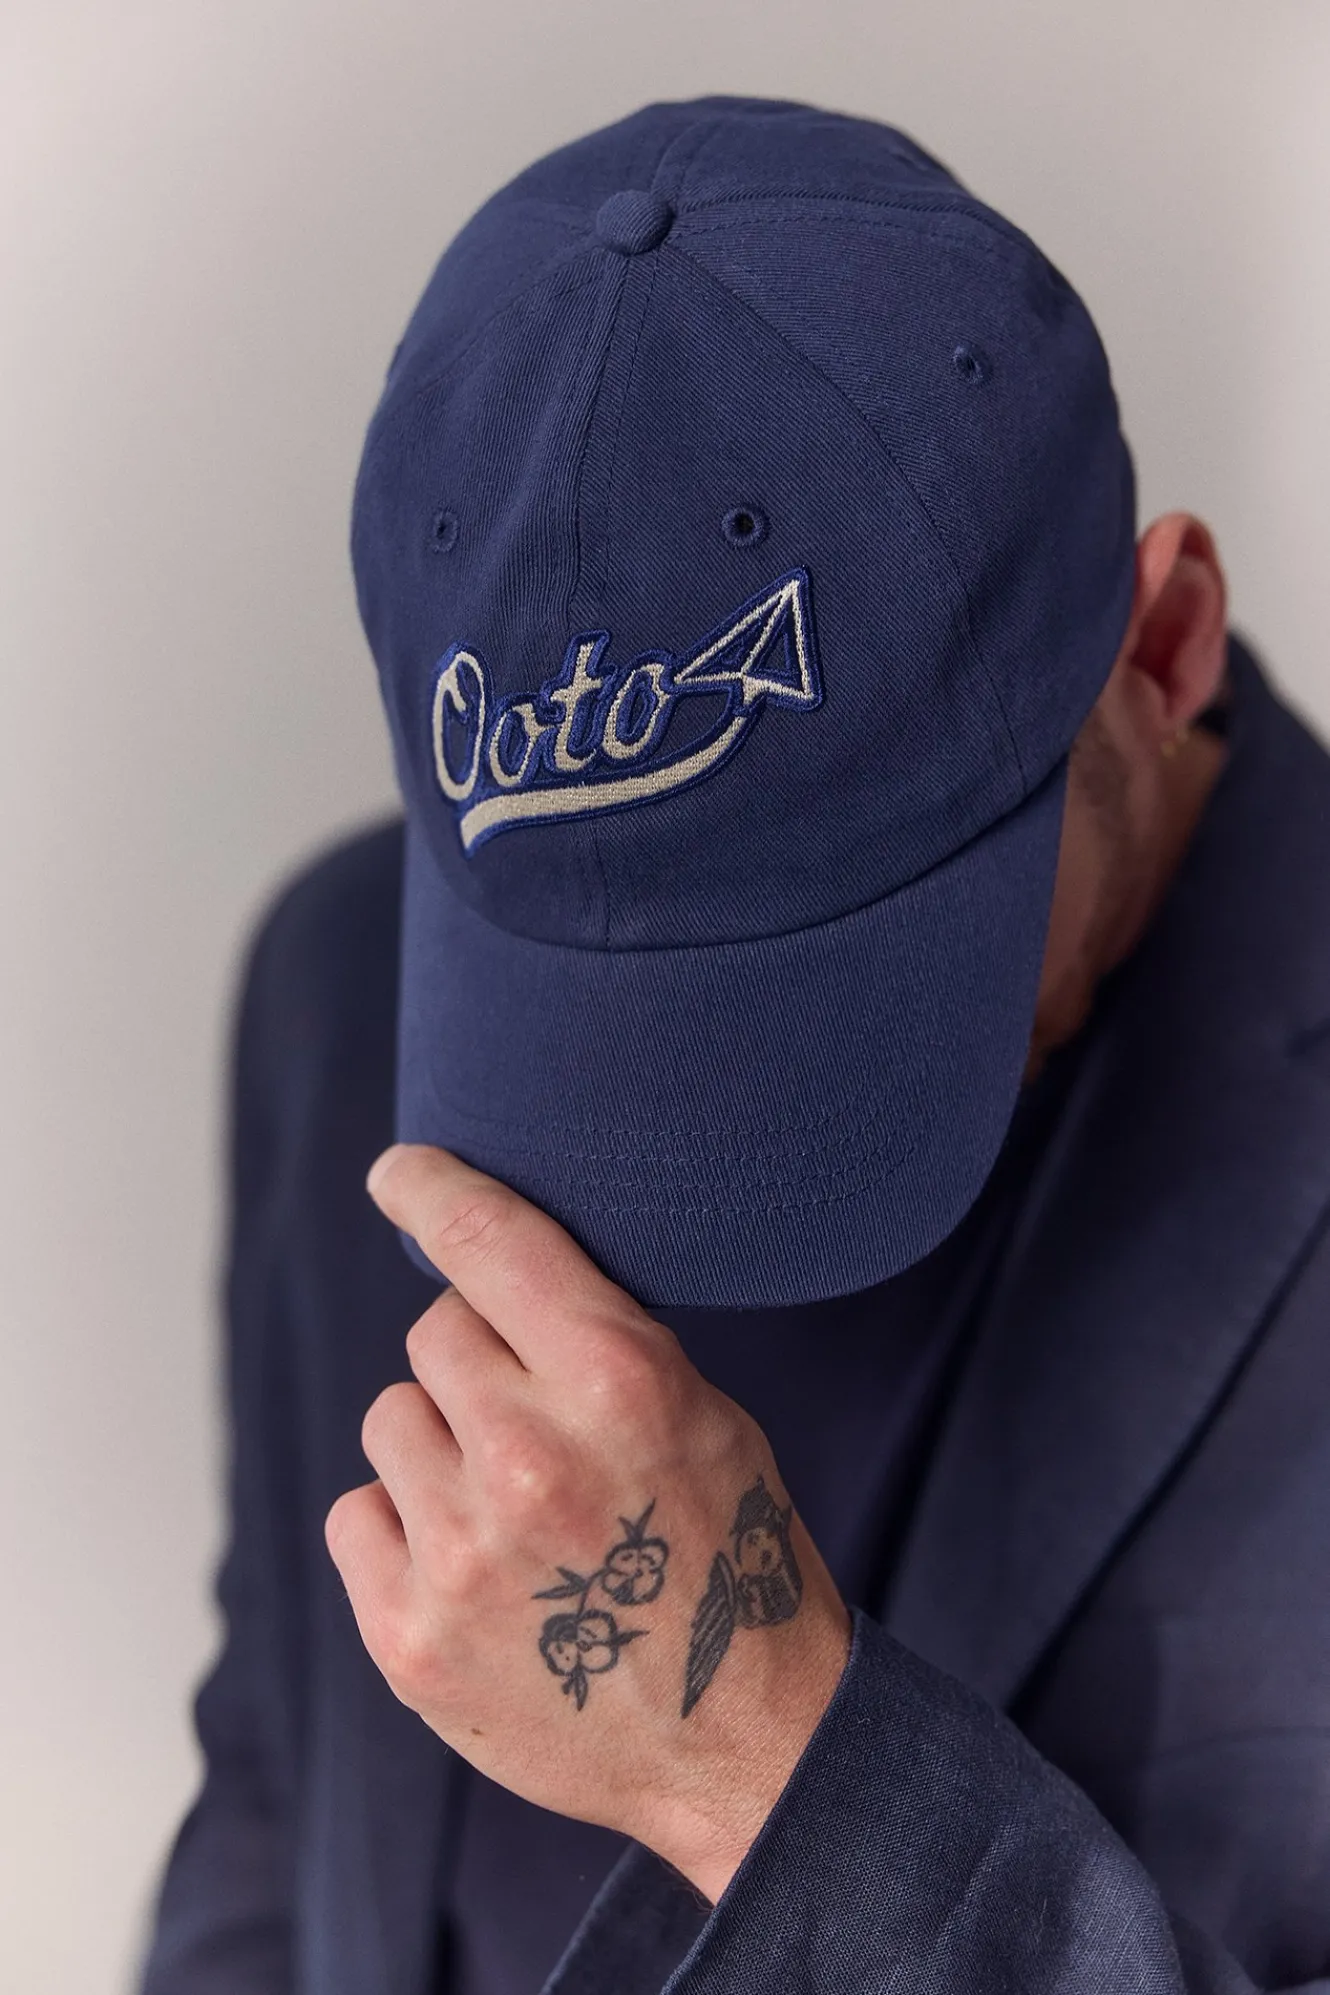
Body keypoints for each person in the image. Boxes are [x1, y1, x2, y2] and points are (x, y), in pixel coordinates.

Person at [136, 97, 1330, 1995]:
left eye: (861, 934)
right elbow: (276, 1797)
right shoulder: (337, 991)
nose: (713, 1085)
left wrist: (771, 1768)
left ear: (1161, 642)